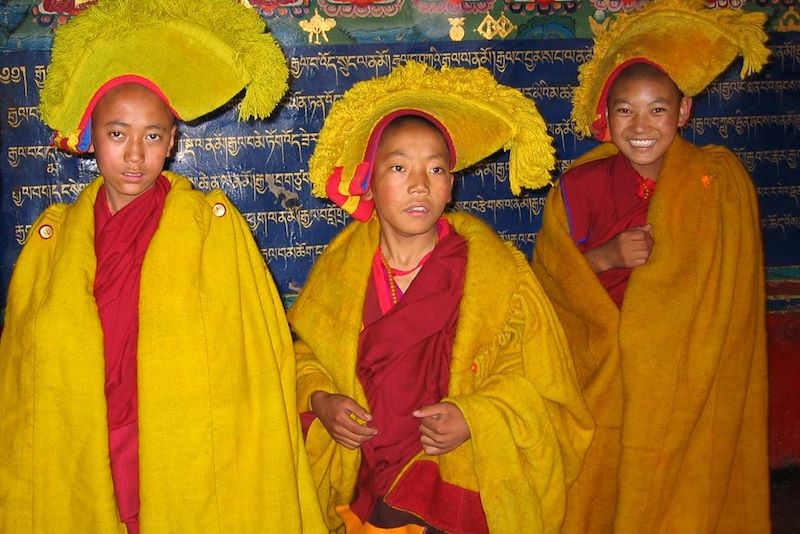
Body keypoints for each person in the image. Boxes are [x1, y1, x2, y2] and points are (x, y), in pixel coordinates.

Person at [0, 0, 325, 532]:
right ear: (90, 137)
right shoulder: (54, 241)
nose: (134, 154)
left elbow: (254, 359)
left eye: (152, 135)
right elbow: (24, 378)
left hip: (182, 433)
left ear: (172, 142)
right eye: (117, 133)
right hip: (88, 427)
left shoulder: (211, 227)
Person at [288, 61, 594, 533]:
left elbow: (540, 385)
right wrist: (321, 400)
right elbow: (308, 356)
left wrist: (475, 418)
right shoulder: (339, 270)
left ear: (451, 185)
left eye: (436, 168)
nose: (419, 184)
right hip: (364, 488)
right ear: (369, 179)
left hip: (457, 489)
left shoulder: (496, 275)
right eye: (398, 167)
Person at [531, 0, 771, 531]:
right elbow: (547, 287)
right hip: (604, 381)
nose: (641, 126)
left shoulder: (718, 185)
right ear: (605, 112)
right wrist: (607, 256)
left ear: (683, 111)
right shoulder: (578, 187)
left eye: (657, 109)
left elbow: (731, 303)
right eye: (625, 110)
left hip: (689, 380)